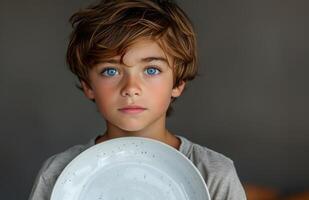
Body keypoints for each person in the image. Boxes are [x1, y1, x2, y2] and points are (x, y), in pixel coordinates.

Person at [29, 0, 247, 199]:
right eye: (111, 71)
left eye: (151, 70)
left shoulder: (214, 174)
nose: (131, 88)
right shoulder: (60, 172)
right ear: (88, 86)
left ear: (178, 83)